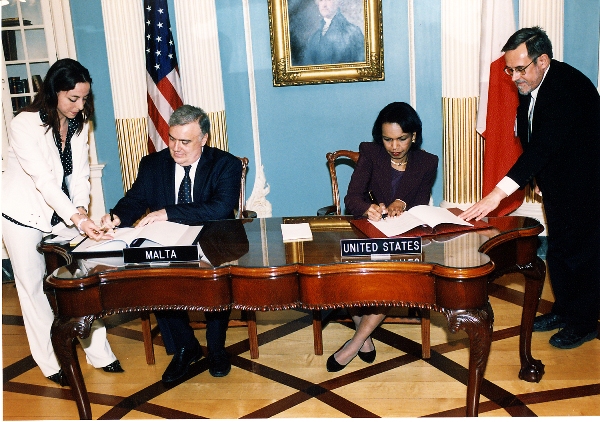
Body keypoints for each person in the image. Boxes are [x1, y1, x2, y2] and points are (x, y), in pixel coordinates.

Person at [460, 27, 600, 349]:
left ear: (542, 60)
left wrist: (497, 193)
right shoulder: (532, 84)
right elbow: (530, 136)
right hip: (559, 183)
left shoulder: (566, 88)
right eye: (509, 69)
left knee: (582, 254)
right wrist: (537, 178)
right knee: (561, 250)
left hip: (586, 185)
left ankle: (583, 323)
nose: (513, 78)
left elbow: (544, 146)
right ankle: (564, 312)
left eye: (519, 69)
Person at [2, 59, 123, 386]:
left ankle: (100, 355)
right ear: (54, 92)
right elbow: (43, 180)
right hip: (21, 215)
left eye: (85, 98)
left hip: (62, 212)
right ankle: (52, 362)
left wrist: (81, 212)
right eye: (73, 99)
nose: (80, 106)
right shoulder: (24, 125)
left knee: (80, 280)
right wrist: (77, 218)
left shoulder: (80, 122)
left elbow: (81, 174)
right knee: (34, 290)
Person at [99, 104, 242, 382]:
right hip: (167, 242)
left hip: (212, 238)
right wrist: (115, 217)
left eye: (185, 141)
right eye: (172, 139)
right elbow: (136, 200)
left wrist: (168, 211)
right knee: (154, 277)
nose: (176, 148)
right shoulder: (153, 164)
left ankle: (216, 348)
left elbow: (220, 208)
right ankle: (185, 346)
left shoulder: (226, 164)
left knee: (216, 280)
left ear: (204, 139)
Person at [327, 102, 439, 372]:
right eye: (388, 139)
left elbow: (421, 205)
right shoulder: (371, 153)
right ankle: (364, 339)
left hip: (403, 238)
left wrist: (402, 202)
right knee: (350, 277)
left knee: (389, 282)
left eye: (401, 139)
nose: (395, 146)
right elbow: (352, 197)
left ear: (414, 136)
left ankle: (354, 344)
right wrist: (368, 208)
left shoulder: (427, 162)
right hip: (368, 232)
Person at [302, 0, 365, 65]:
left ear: (337, 2)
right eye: (321, 0)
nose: (324, 5)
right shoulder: (314, 38)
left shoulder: (353, 32)